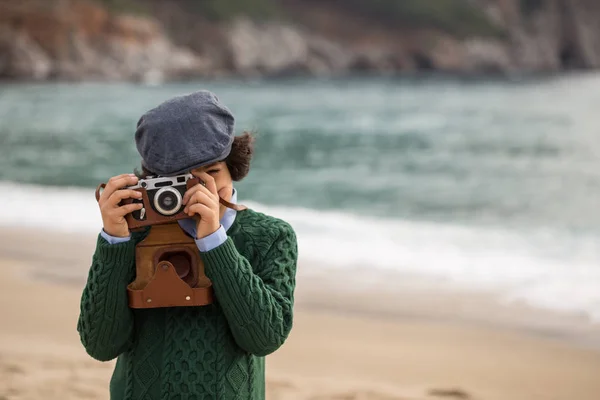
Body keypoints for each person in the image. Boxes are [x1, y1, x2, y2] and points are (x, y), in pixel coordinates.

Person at [77, 90, 298, 399]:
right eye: (183, 181)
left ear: (233, 165)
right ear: (154, 182)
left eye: (211, 173)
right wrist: (113, 240)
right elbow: (100, 345)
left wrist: (214, 241)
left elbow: (265, 337)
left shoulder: (271, 236)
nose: (202, 191)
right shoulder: (134, 236)